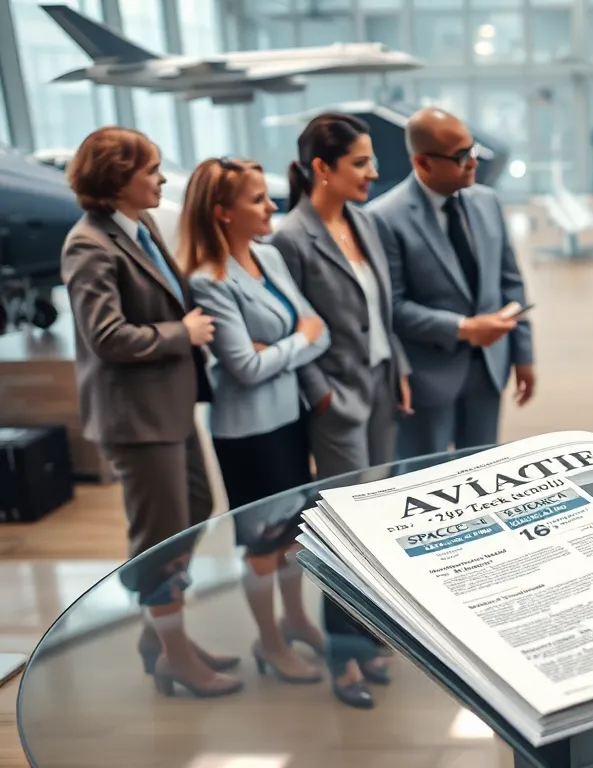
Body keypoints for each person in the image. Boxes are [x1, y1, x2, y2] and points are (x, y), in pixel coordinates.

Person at [60, 126, 241, 698]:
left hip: (170, 407)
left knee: (196, 509)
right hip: (135, 418)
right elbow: (106, 336)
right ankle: (175, 655)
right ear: (117, 177)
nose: (163, 178)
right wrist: (180, 333)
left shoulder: (139, 230)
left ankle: (160, 640)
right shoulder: (88, 243)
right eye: (152, 169)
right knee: (158, 536)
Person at [270, 112, 412, 709]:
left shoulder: (365, 221)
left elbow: (383, 307)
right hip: (337, 399)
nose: (374, 173)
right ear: (321, 169)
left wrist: (399, 367)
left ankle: (363, 632)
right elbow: (288, 322)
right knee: (341, 531)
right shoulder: (290, 237)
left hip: (379, 385)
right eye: (360, 163)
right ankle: (342, 658)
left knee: (376, 523)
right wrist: (319, 393)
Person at [181, 156, 330, 685]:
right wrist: (298, 342)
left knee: (293, 532)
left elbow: (323, 330)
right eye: (257, 200)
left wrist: (283, 347)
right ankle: (268, 643)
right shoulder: (208, 281)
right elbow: (244, 368)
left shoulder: (269, 257)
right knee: (262, 543)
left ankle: (294, 621)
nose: (271, 207)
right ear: (221, 212)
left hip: (287, 420)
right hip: (247, 432)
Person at [367, 107, 535, 459]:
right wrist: (464, 328)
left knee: (485, 468)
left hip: (488, 370)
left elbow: (511, 283)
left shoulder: (486, 201)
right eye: (461, 157)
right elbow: (392, 308)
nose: (473, 162)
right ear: (423, 164)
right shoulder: (384, 219)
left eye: (472, 150)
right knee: (426, 478)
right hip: (427, 379)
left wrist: (524, 356)